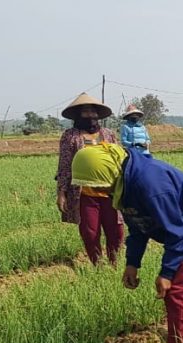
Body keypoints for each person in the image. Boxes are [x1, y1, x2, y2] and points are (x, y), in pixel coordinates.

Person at [70, 144, 183, 343]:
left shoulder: (150, 185)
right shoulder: (123, 183)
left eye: (98, 185)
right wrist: (132, 262)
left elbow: (178, 231)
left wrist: (167, 272)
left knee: (178, 294)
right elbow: (138, 225)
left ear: (109, 173)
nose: (99, 191)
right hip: (182, 231)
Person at [56, 92, 122, 265]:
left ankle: (115, 263)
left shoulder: (108, 134)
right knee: (90, 232)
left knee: (116, 230)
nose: (90, 115)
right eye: (86, 112)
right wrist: (61, 193)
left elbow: (120, 159)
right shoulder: (70, 136)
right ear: (78, 115)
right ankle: (97, 265)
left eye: (93, 112)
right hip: (85, 194)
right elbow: (64, 165)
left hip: (111, 193)